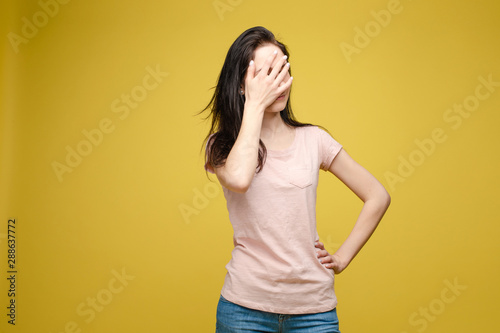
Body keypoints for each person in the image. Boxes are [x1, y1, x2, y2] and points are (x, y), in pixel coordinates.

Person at [201, 26, 391, 333]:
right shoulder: (221, 145)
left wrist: (342, 257)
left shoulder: (314, 140)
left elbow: (377, 195)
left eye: (282, 69)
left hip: (314, 310)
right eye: (266, 73)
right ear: (240, 85)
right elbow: (238, 178)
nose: (277, 82)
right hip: (244, 310)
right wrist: (254, 104)